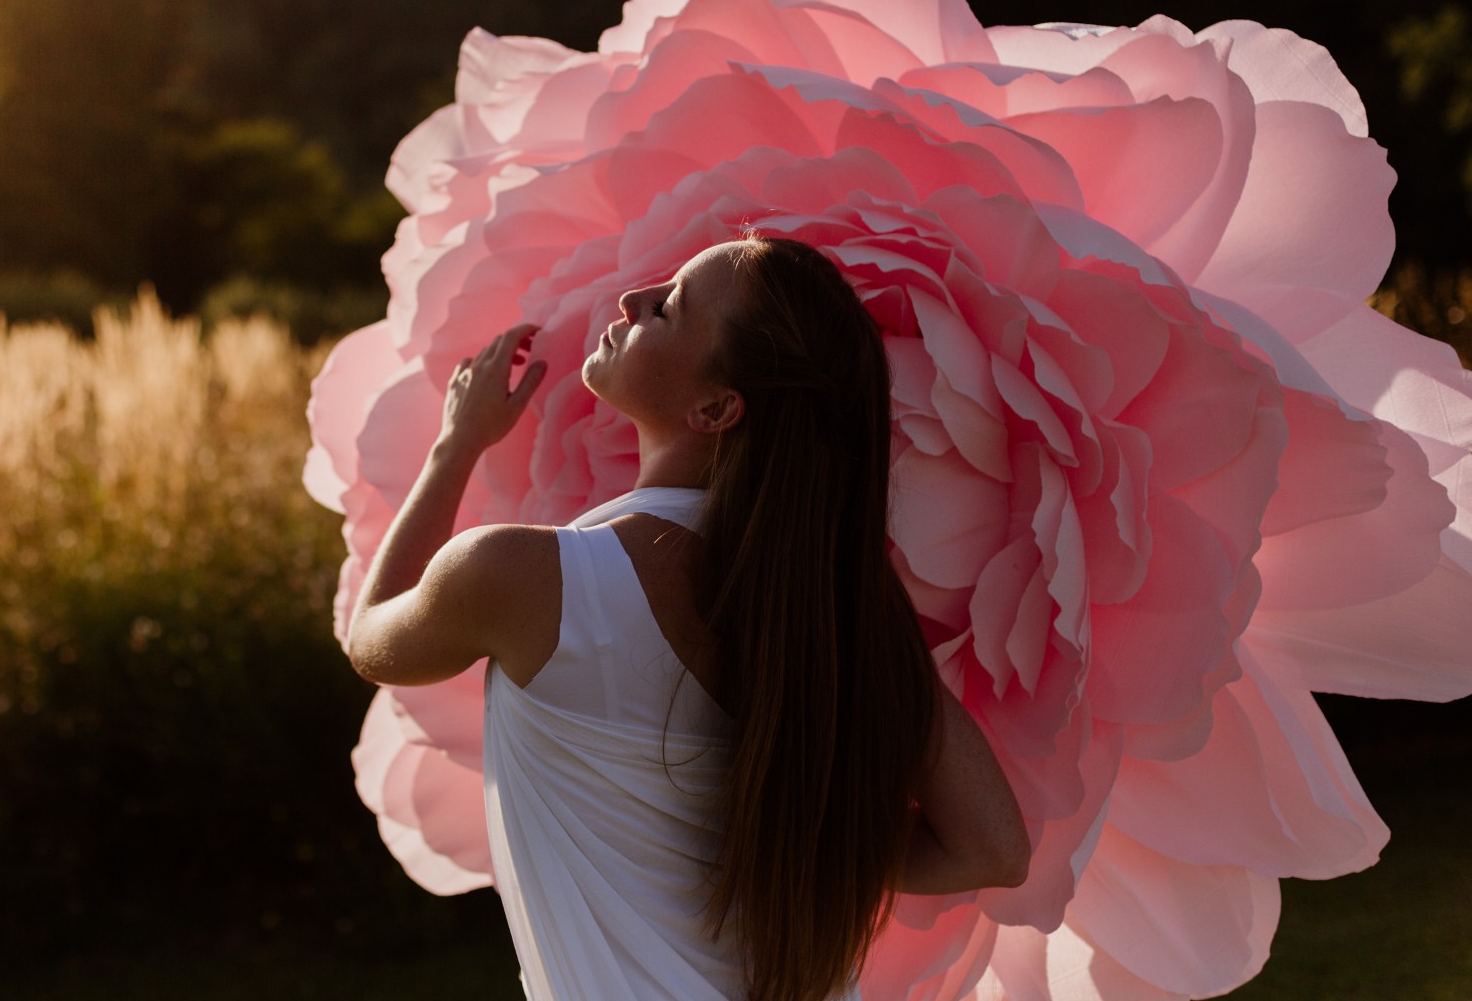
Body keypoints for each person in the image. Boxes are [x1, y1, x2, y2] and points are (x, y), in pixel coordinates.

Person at [343, 233, 1030, 1001]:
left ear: (716, 408)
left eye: (667, 306)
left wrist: (455, 447)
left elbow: (372, 640)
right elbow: (994, 848)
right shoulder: (835, 617)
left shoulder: (522, 579)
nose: (634, 299)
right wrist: (816, 837)